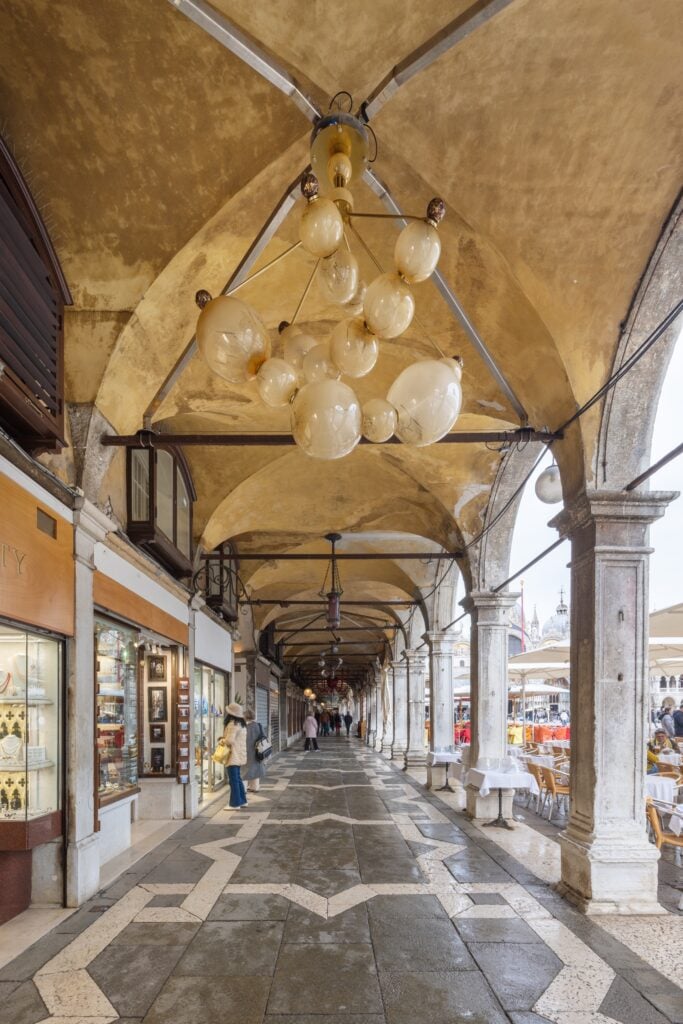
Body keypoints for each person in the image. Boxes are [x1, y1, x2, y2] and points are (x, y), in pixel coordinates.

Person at [221, 702, 248, 809]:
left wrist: (222, 740)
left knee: (234, 780)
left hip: (233, 755)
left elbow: (229, 741)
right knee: (237, 778)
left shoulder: (233, 724)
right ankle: (242, 801)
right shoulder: (241, 724)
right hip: (239, 755)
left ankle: (235, 803)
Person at [243, 708, 267, 793]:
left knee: (244, 770)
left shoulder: (244, 727)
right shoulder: (259, 725)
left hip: (246, 751)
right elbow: (264, 737)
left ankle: (243, 789)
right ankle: (255, 787)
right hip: (258, 751)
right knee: (256, 768)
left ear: (245, 717)